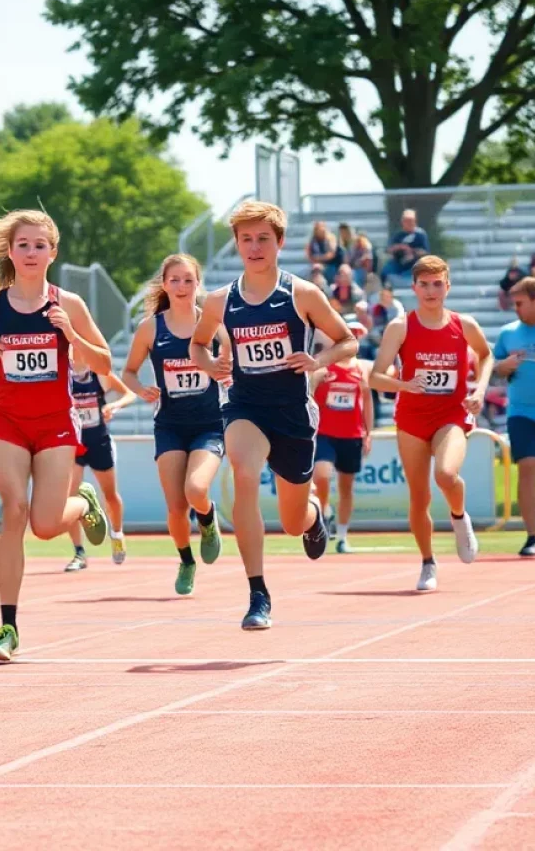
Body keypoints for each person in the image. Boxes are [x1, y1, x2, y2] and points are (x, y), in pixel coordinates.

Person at [0, 210, 112, 662]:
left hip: (58, 423)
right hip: (10, 423)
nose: (31, 253)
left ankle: (81, 502)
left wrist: (71, 334)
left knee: (45, 526)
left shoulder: (70, 303)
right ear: (10, 251)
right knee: (13, 512)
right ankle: (8, 626)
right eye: (23, 245)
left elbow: (104, 365)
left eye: (39, 245)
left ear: (52, 253)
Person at [191, 201, 358, 630]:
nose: (254, 246)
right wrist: (210, 365)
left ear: (279, 242)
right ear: (236, 244)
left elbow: (347, 342)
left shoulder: (301, 294)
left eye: (263, 238)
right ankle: (257, 593)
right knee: (244, 473)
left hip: (293, 414)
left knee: (291, 520)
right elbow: (198, 344)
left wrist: (318, 360)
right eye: (246, 239)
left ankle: (313, 515)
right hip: (245, 406)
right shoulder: (219, 300)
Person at [370, 256, 493, 592]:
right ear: (414, 288)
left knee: (446, 474)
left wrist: (479, 390)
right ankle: (427, 562)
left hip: (450, 414)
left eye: (437, 283)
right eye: (423, 284)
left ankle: (458, 517)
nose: (430, 290)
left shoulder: (463, 325)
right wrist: (402, 385)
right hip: (411, 418)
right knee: (419, 496)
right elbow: (375, 377)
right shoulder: (401, 327)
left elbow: (486, 355)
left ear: (447, 287)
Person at [124, 254, 226, 595]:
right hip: (169, 424)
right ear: (164, 285)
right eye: (175, 280)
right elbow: (128, 371)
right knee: (176, 507)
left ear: (198, 284)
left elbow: (234, 358)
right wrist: (141, 389)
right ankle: (186, 561)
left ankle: (209, 521)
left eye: (188, 280)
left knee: (196, 490)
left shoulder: (212, 323)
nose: (182, 287)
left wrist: (223, 370)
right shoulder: (151, 328)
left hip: (209, 423)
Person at [493, 277, 535, 557]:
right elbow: (493, 368)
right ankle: (532, 536)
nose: (515, 309)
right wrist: (503, 366)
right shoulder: (508, 334)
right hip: (521, 413)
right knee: (528, 465)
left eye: (520, 303)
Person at [65, 348, 137, 570]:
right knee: (68, 497)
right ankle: (79, 552)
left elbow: (129, 394)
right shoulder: (63, 371)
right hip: (73, 443)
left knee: (110, 495)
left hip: (99, 441)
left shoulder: (98, 371)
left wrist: (113, 405)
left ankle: (116, 533)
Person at [312, 322, 374, 554]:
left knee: (346, 487)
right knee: (321, 476)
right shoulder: (324, 363)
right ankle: (325, 510)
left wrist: (369, 432)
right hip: (325, 432)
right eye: (351, 335)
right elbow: (308, 390)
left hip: (352, 434)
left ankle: (343, 536)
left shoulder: (361, 368)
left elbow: (366, 401)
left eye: (358, 336)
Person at [383, 209, 429, 281]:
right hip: (397, 263)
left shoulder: (420, 235)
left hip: (414, 264)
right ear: (402, 222)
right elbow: (388, 250)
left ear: (415, 222)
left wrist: (411, 250)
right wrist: (399, 247)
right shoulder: (398, 235)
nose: (408, 223)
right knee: (386, 271)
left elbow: (425, 252)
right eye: (406, 221)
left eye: (411, 221)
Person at [305, 221, 339, 285]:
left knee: (330, 272)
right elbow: (308, 255)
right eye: (317, 228)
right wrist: (315, 262)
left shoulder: (331, 238)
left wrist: (319, 258)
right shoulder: (312, 240)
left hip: (330, 264)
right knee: (309, 273)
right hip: (315, 264)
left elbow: (332, 254)